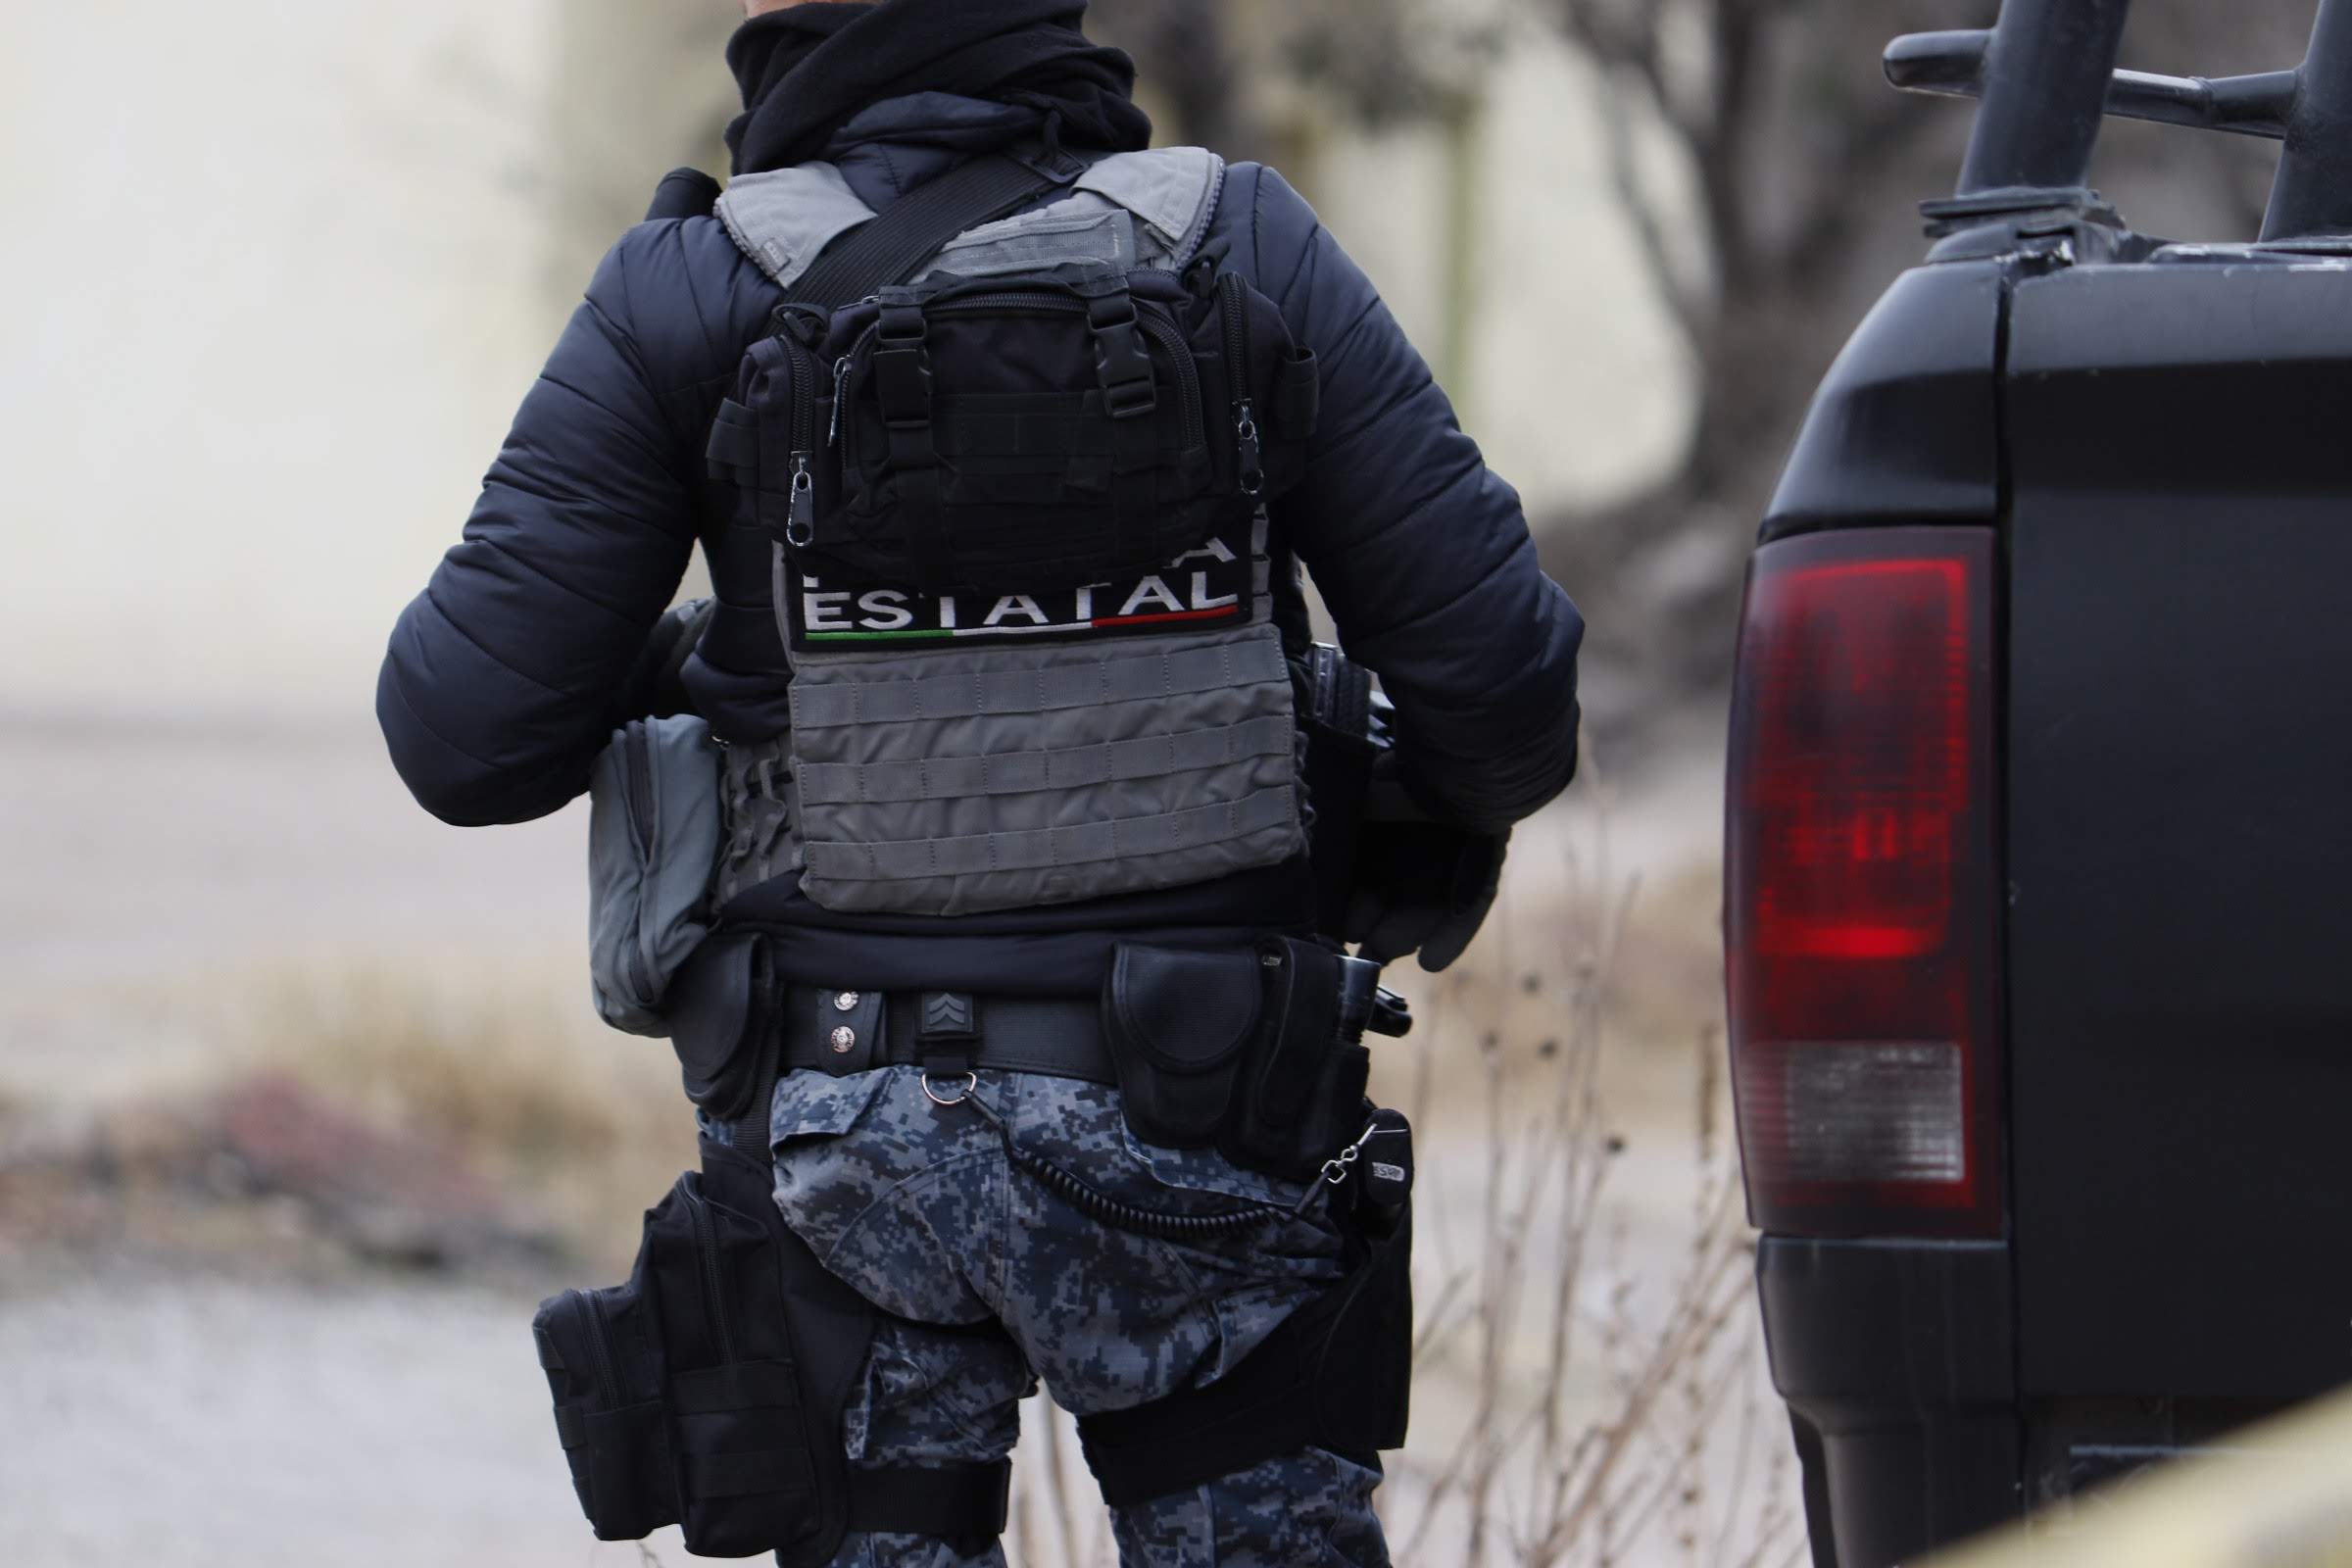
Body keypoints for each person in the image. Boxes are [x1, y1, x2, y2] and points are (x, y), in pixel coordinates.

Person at [378, 0, 1584, 1562]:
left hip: (838, 1142)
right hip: (1206, 1101)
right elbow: (1506, 702)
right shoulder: (1243, 247)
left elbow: (464, 735)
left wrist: (703, 657)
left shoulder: (685, 292)